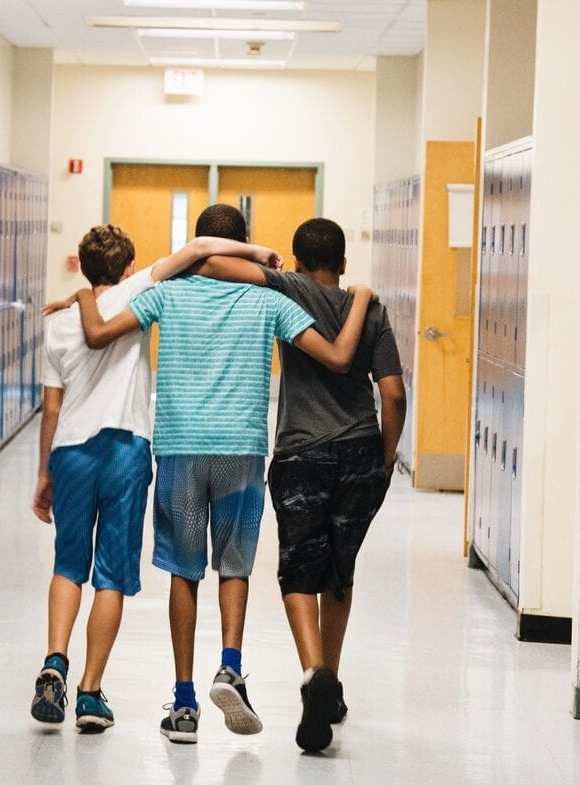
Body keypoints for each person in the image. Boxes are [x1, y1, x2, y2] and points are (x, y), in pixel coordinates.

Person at [74, 204, 375, 744]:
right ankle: (230, 667)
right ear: (242, 245)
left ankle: (184, 704)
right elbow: (334, 357)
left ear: (200, 245)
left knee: (183, 571)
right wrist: (361, 302)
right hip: (240, 449)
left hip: (181, 448)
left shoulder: (164, 294)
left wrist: (75, 302)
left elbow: (102, 330)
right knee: (234, 567)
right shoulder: (268, 298)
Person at [30, 224, 281, 733]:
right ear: (126, 267)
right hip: (125, 449)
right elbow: (201, 249)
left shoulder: (58, 322)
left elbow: (50, 410)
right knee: (112, 576)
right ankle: (89, 692)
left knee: (67, 564)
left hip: (71, 452)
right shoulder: (140, 288)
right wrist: (257, 252)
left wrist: (43, 473)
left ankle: (55, 661)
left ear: (82, 264)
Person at [194, 217, 406, 752]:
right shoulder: (373, 308)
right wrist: (383, 459)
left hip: (301, 453)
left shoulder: (291, 288)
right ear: (342, 262)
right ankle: (330, 683)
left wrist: (261, 257)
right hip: (360, 448)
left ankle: (314, 672)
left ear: (299, 257)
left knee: (298, 566)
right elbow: (394, 394)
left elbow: (213, 263)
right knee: (340, 566)